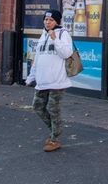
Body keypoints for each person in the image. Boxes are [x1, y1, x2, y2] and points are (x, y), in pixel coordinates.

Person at [25, 9, 73, 152]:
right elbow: (37, 58)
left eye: (51, 20)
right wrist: (31, 77)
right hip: (42, 80)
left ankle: (55, 139)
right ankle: (55, 131)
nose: (47, 22)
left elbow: (66, 53)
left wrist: (55, 39)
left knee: (53, 109)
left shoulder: (63, 34)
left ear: (57, 21)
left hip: (57, 81)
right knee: (37, 106)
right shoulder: (43, 34)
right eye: (45, 20)